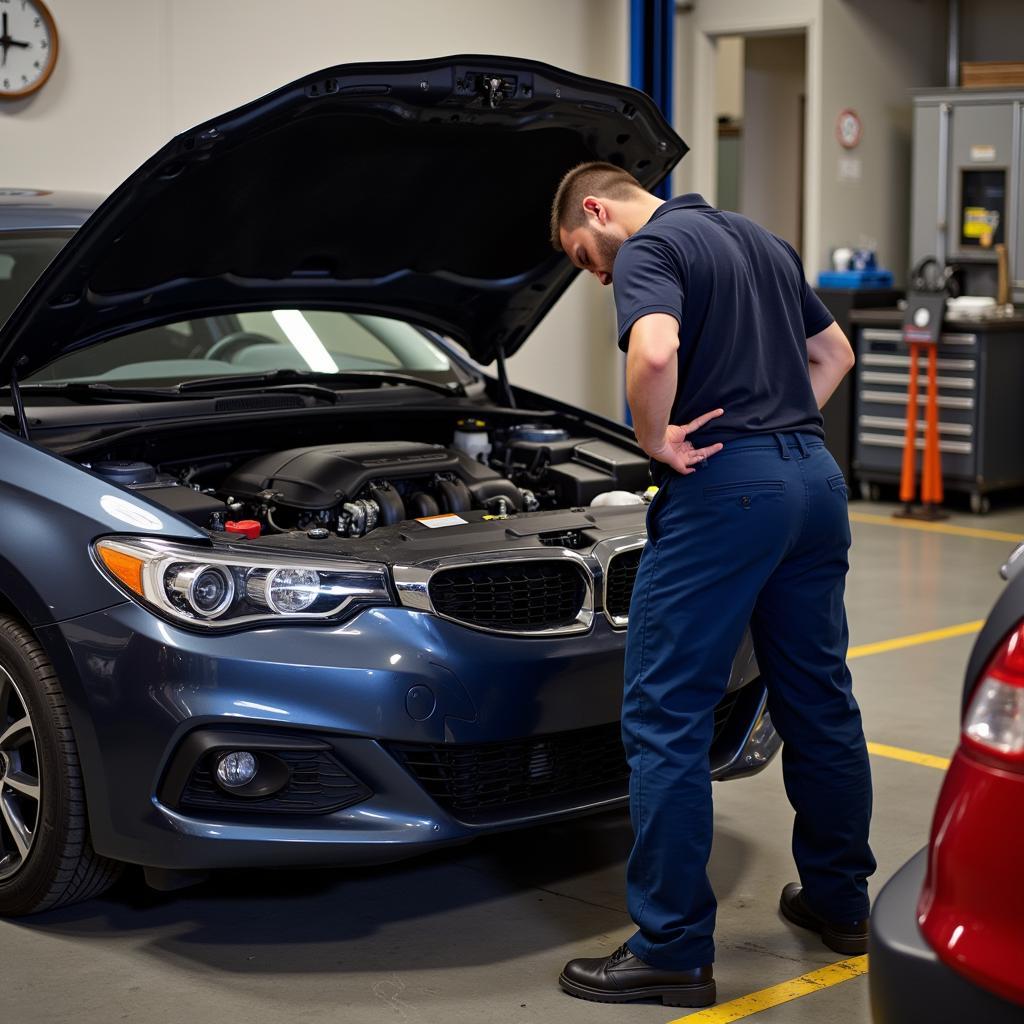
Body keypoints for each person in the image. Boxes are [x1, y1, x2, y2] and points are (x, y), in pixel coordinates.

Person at [548, 162, 876, 1008]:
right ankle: (841, 906)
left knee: (666, 715)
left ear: (597, 210)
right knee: (820, 700)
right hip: (813, 482)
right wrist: (780, 428)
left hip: (727, 495)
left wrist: (656, 439)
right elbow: (833, 352)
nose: (597, 275)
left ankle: (673, 948)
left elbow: (656, 350)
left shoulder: (652, 247)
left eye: (585, 258)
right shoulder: (762, 241)